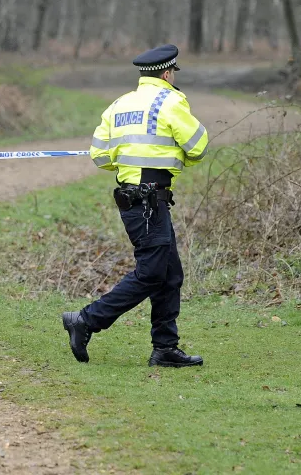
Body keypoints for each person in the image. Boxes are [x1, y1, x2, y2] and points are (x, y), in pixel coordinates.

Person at [62, 44, 208, 368]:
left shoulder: (119, 105)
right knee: (152, 273)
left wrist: (126, 160)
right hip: (150, 202)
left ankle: (165, 348)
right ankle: (85, 321)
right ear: (168, 73)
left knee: (170, 275)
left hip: (134, 199)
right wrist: (176, 155)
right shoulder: (170, 100)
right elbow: (198, 146)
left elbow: (99, 155)